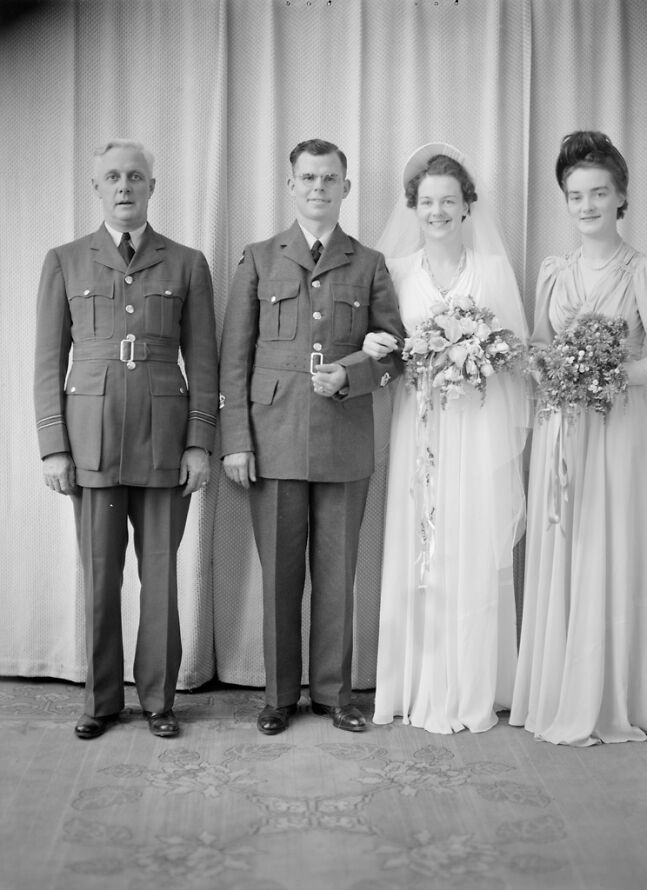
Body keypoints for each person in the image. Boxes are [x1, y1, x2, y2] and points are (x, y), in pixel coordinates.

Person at [219, 138, 405, 735]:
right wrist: (236, 441)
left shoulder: (369, 263)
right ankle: (277, 695)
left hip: (344, 440)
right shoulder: (258, 258)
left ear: (346, 189)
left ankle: (332, 694)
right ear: (291, 186)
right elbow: (234, 360)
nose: (318, 188)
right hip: (272, 440)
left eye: (330, 179)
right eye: (308, 178)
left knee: (336, 574)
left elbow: (393, 354)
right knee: (278, 575)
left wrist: (350, 374)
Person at [34, 139, 219, 739]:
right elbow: (46, 363)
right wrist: (53, 446)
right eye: (112, 177)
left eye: (135, 177)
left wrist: (199, 442)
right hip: (90, 442)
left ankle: (160, 702)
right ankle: (101, 701)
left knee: (161, 576)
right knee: (99, 575)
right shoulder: (65, 260)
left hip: (166, 440)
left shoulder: (187, 262)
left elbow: (206, 363)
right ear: (96, 189)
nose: (123, 187)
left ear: (151, 187)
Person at [509, 131, 647, 746]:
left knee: (609, 548)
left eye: (598, 193)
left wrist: (612, 375)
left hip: (615, 431)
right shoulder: (554, 273)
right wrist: (546, 369)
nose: (586, 205)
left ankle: (609, 694)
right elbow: (536, 344)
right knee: (564, 545)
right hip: (561, 429)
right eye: (575, 195)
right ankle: (557, 689)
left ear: (621, 198)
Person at [363, 143, 530, 734]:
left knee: (469, 544)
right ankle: (417, 684)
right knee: (420, 545)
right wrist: (385, 349)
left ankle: (474, 685)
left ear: (467, 207)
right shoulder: (396, 272)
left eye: (448, 201)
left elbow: (514, 352)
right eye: (427, 201)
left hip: (476, 426)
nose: (437, 211)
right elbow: (379, 347)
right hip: (420, 427)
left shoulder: (492, 271)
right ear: (414, 207)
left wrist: (479, 355)